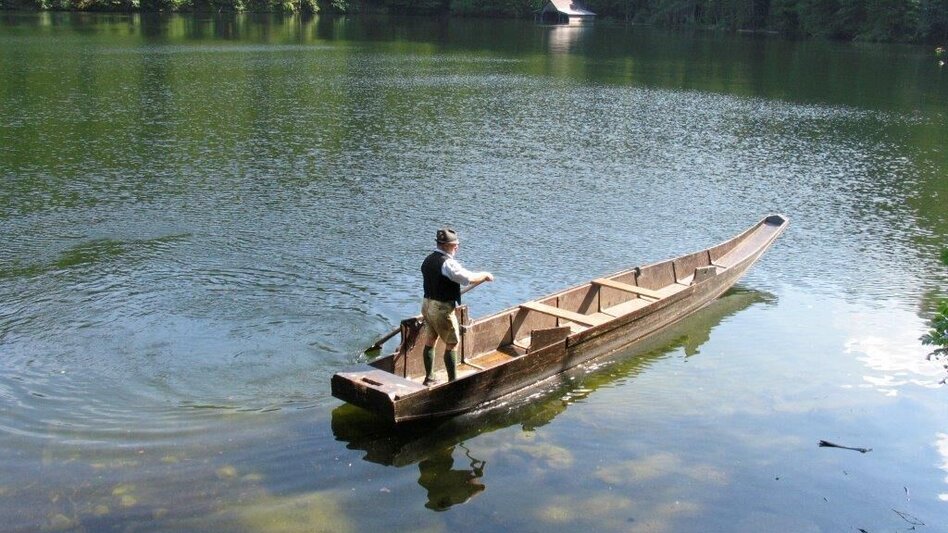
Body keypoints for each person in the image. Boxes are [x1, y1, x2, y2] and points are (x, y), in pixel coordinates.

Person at [420, 228, 494, 386]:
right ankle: (453, 383)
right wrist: (485, 275)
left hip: (426, 304)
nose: (457, 248)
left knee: (430, 339)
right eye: (455, 245)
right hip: (441, 309)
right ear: (446, 245)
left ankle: (429, 378)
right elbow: (468, 278)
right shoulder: (448, 264)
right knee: (452, 343)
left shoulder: (428, 259)